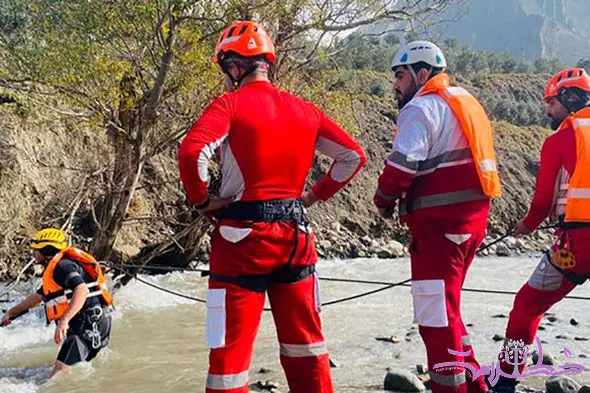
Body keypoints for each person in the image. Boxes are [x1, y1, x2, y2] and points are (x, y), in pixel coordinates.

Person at [178, 20, 366, 393]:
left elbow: (192, 152)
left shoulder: (229, 104)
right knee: (306, 346)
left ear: (234, 65)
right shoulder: (305, 109)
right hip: (297, 237)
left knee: (228, 357)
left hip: (241, 241)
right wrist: (314, 195)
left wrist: (202, 201)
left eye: (226, 69)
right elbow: (352, 157)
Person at [373, 40, 502, 393]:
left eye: (400, 76)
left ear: (422, 74)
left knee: (434, 321)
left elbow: (401, 165)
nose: (396, 85)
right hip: (471, 224)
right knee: (450, 312)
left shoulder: (421, 108)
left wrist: (382, 200)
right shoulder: (466, 102)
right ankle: (476, 386)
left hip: (439, 229)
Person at [490, 68, 590, 393]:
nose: (547, 110)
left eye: (550, 103)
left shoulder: (561, 139)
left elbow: (542, 203)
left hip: (577, 245)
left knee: (526, 306)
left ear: (568, 99)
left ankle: (506, 378)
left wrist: (527, 226)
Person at [0, 228, 114, 376]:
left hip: (87, 325)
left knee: (58, 375)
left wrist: (64, 320)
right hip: (97, 322)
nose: (33, 253)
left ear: (47, 250)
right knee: (80, 371)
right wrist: (11, 313)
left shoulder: (62, 267)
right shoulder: (59, 266)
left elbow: (82, 290)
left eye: (37, 250)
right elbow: (39, 296)